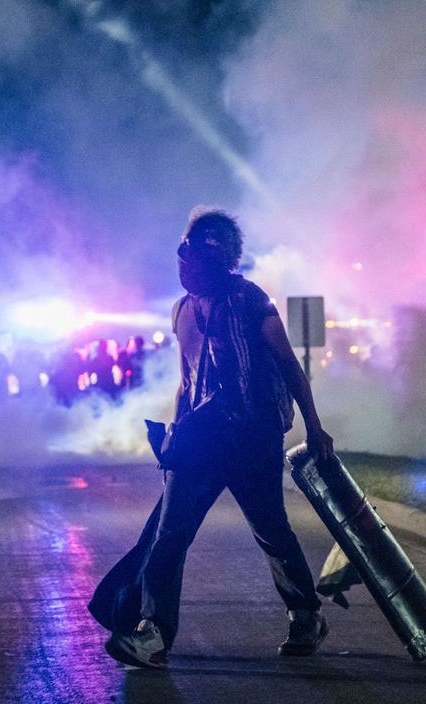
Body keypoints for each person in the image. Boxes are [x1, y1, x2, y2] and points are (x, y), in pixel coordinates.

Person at [89, 208, 334, 669]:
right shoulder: (181, 310)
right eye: (182, 251)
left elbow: (287, 365)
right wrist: (177, 432)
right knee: (168, 535)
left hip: (252, 437)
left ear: (219, 260)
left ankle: (306, 614)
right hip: (200, 439)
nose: (184, 262)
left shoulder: (250, 301)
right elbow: (186, 379)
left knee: (271, 531)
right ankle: (154, 633)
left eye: (195, 254)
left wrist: (314, 425)